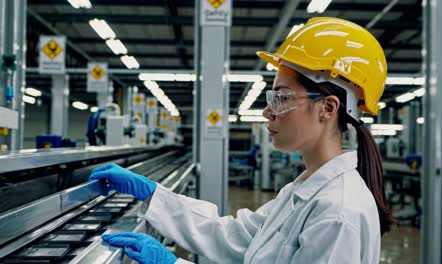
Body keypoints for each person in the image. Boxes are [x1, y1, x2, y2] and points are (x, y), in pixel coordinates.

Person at [90, 17, 394, 264]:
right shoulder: (303, 190)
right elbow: (235, 236)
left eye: (282, 98)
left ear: (327, 108)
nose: (267, 112)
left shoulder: (337, 214)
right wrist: (153, 194)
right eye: (271, 98)